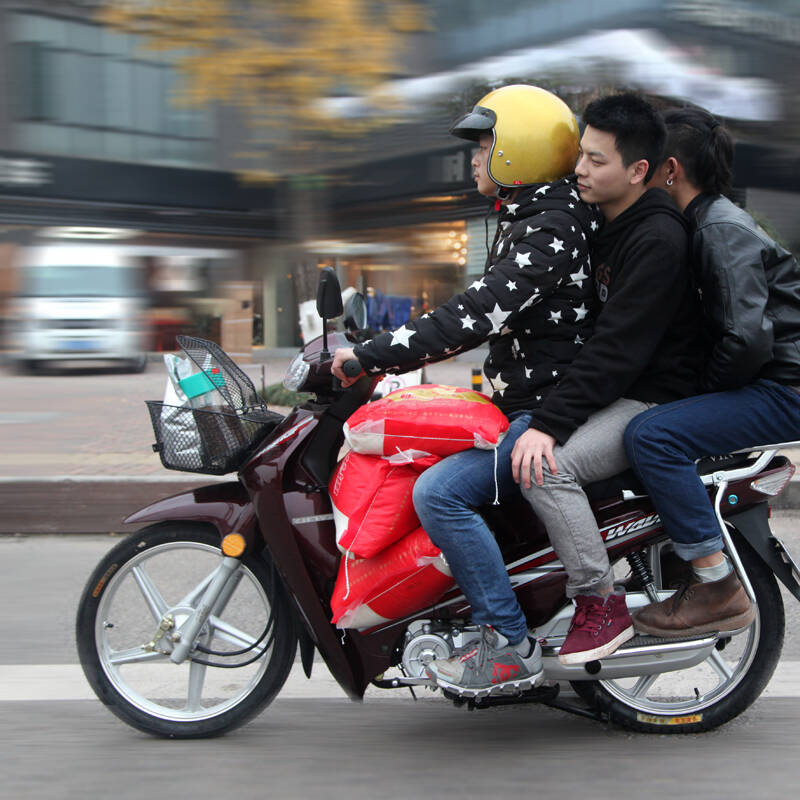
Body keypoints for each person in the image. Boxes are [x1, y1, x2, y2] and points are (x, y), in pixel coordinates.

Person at [332, 84, 601, 695]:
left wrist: (369, 355)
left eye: (485, 143)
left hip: (550, 412)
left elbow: (474, 315)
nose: (474, 158)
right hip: (527, 402)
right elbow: (472, 322)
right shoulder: (531, 215)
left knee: (440, 493)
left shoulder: (551, 224)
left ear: (522, 149)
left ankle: (507, 643)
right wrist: (381, 349)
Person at [513, 92, 701, 665]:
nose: (580, 170)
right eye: (580, 156)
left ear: (638, 170)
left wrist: (547, 425)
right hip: (621, 390)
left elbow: (616, 351)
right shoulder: (608, 225)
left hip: (652, 400)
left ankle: (599, 602)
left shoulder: (657, 239)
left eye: (597, 160)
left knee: (546, 469)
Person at [625, 107, 800, 637]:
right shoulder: (707, 220)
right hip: (775, 381)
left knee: (653, 436)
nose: (638, 175)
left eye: (645, 165)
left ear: (670, 170)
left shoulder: (720, 228)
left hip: (785, 389)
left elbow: (745, 338)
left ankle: (717, 584)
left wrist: (698, 396)